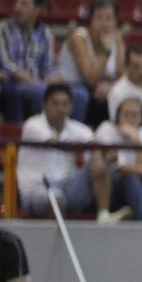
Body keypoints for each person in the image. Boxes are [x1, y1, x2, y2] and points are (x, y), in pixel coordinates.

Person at [16, 83, 125, 223]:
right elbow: (57, 144)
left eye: (65, 104)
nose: (61, 109)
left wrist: (100, 153)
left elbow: (100, 148)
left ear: (71, 106)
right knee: (57, 202)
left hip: (68, 186)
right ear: (44, 105)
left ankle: (104, 216)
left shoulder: (79, 129)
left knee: (99, 163)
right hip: (37, 189)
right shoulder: (32, 125)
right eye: (55, 104)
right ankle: (53, 243)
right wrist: (92, 147)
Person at [95, 96, 142, 221]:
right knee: (131, 178)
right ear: (117, 115)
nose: (130, 119)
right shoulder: (107, 129)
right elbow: (120, 168)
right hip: (112, 188)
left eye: (135, 115)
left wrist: (135, 140)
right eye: (126, 114)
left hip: (141, 187)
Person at [54, 0, 124, 126]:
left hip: (101, 89)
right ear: (91, 20)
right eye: (99, 18)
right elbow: (90, 80)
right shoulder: (79, 38)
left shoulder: (118, 40)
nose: (104, 23)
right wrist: (106, 50)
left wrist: (111, 86)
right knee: (89, 95)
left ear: (115, 22)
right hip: (72, 87)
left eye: (109, 18)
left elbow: (123, 75)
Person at [0, 0, 54, 122]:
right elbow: (6, 63)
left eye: (24, 4)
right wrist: (29, 79)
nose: (18, 7)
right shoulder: (4, 29)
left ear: (37, 9)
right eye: (17, 2)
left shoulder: (46, 33)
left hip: (37, 82)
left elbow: (47, 66)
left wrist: (49, 79)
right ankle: (37, 136)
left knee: (76, 94)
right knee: (41, 92)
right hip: (12, 83)